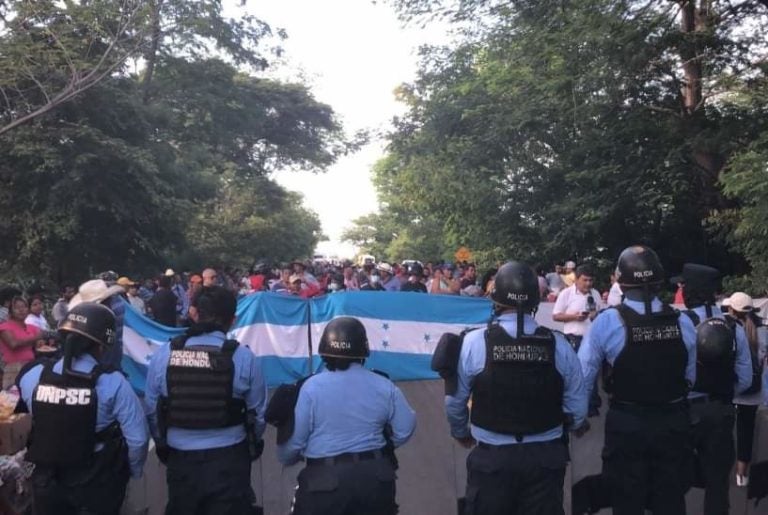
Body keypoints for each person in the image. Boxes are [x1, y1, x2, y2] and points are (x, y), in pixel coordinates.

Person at [445, 261, 587, 515]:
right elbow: (577, 405)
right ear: (536, 300)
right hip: (545, 460)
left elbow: (455, 401)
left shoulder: (474, 342)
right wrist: (572, 426)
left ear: (495, 299)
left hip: (492, 461)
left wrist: (460, 431)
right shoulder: (559, 344)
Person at [578, 245, 697, 515]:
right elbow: (689, 377)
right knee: (670, 500)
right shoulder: (682, 321)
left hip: (627, 424)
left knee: (626, 500)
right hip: (672, 422)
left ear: (621, 280)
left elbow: (584, 376)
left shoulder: (607, 322)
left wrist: (579, 416)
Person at [145, 285, 267, 515]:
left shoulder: (165, 354)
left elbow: (152, 410)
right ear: (233, 320)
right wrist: (250, 445)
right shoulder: (244, 358)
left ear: (193, 313)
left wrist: (162, 444)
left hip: (181, 459)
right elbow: (258, 414)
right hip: (229, 459)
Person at [276, 317, 417, 514]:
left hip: (324, 481)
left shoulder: (311, 388)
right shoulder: (384, 385)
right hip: (376, 478)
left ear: (324, 351)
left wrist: (288, 458)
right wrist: (379, 447)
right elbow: (405, 427)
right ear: (363, 351)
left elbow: (295, 441)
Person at [18, 302, 149, 515]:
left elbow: (31, 417)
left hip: (48, 483)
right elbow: (138, 438)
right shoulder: (113, 382)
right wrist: (133, 472)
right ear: (101, 346)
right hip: (96, 482)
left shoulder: (32, 375)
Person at [680, 263, 751, 515]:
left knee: (673, 482)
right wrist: (723, 392)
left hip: (685, 412)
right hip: (721, 410)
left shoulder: (681, 322)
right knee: (718, 484)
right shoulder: (733, 327)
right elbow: (744, 376)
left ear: (691, 290)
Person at [723, 292, 766, 487]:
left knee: (723, 430)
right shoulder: (762, 330)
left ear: (731, 309)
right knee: (746, 430)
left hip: (730, 388)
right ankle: (742, 472)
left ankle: (721, 468)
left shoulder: (727, 329)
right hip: (753, 391)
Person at [552, 264, 603, 416]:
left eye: (591, 280)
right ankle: (571, 406)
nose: (588, 284)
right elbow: (556, 315)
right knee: (574, 373)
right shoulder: (566, 294)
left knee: (591, 372)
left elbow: (598, 314)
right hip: (573, 338)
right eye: (585, 280)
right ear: (577, 280)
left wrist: (595, 316)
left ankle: (591, 405)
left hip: (592, 339)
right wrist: (575, 317)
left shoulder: (595, 294)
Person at [0, 296, 46, 388]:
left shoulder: (32, 327)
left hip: (31, 365)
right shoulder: (4, 327)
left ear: (28, 309)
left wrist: (41, 343)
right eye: (17, 308)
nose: (21, 310)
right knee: (12, 399)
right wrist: (36, 338)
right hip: (13, 368)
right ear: (11, 311)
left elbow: (38, 346)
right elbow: (13, 344)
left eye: (24, 307)